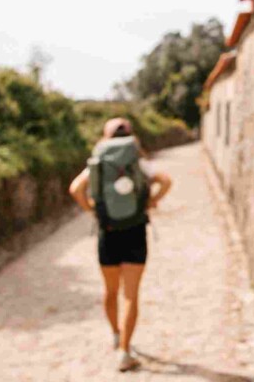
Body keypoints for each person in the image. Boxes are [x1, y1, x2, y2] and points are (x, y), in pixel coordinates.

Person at [68, 118, 172, 372]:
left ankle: (116, 334)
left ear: (105, 135)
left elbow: (75, 189)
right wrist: (150, 202)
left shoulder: (100, 160)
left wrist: (92, 210)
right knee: (131, 295)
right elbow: (166, 181)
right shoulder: (136, 159)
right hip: (135, 232)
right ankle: (125, 351)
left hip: (108, 233)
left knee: (111, 290)